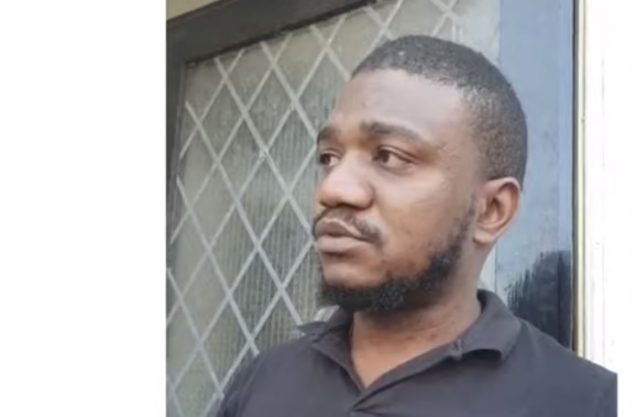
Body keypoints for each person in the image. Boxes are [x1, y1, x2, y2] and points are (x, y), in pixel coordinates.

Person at [217, 35, 617, 417]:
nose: (332, 189)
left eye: (389, 157)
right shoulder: (263, 380)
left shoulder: (584, 403)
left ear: (491, 210)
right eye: (329, 157)